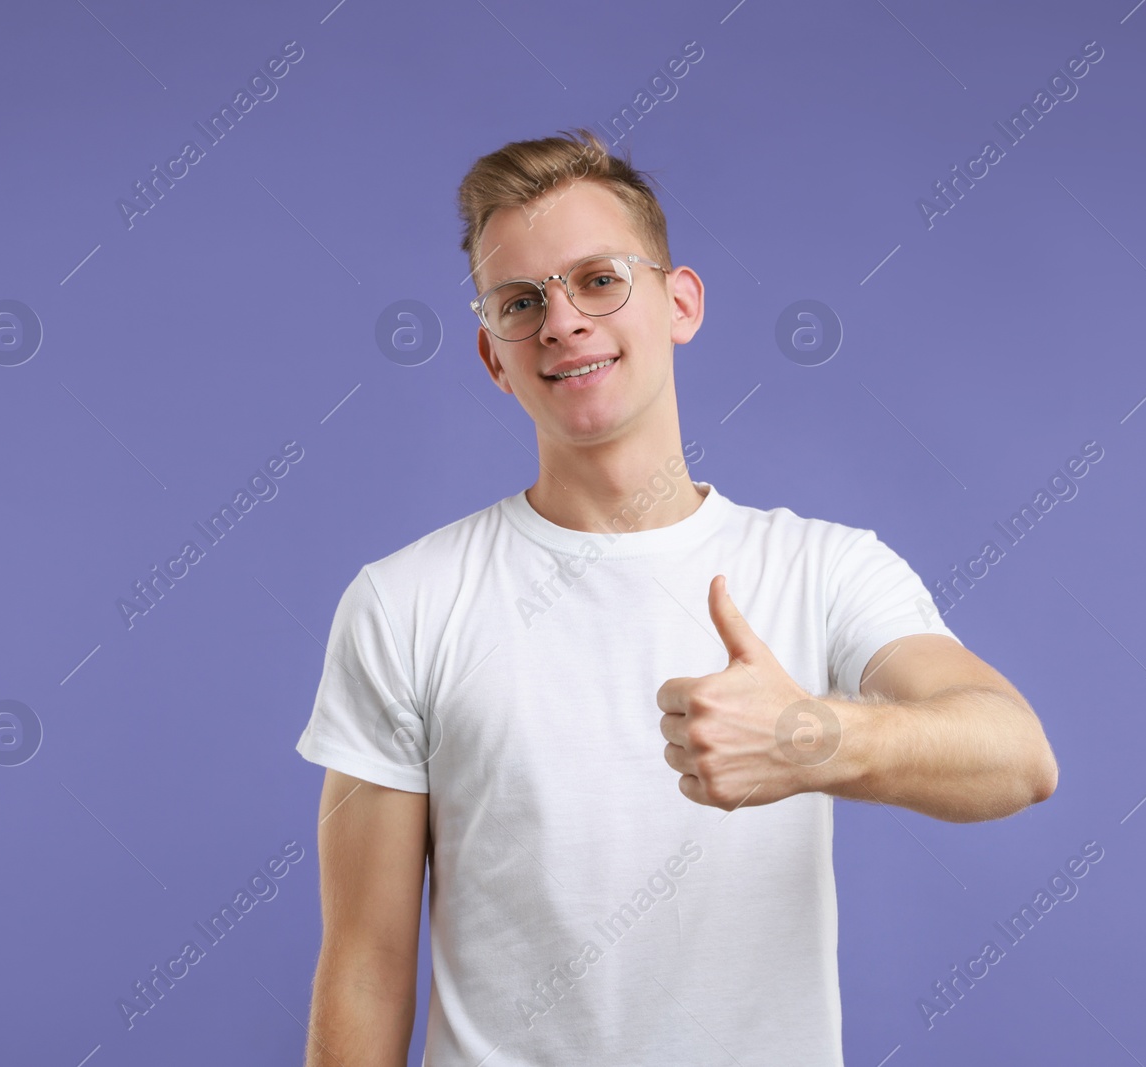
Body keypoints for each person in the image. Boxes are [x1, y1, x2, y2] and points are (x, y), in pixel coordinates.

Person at [294, 127, 1058, 1067]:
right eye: (520, 302)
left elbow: (1017, 755)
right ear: (494, 356)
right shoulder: (402, 603)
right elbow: (366, 965)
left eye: (599, 279)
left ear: (680, 301)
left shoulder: (822, 567)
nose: (562, 322)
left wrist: (814, 738)